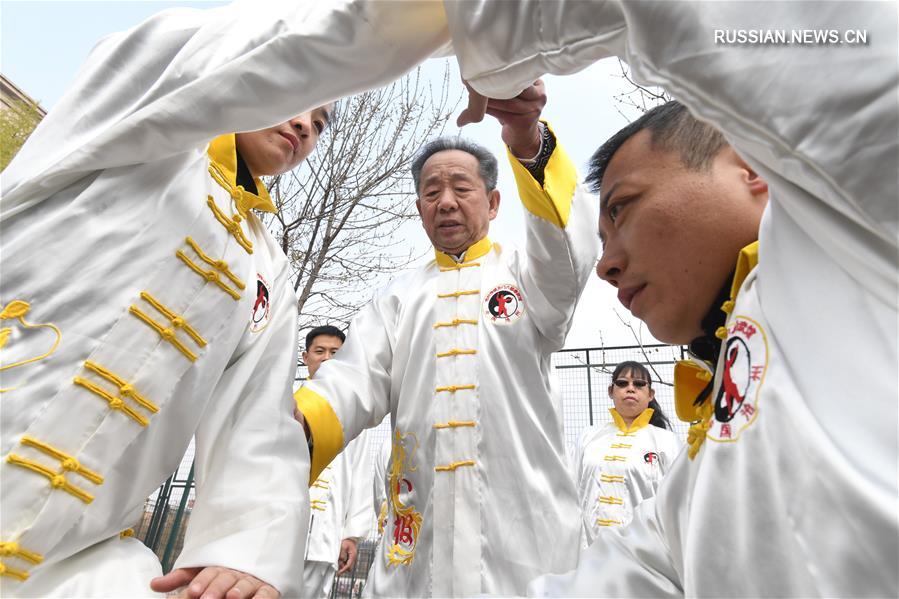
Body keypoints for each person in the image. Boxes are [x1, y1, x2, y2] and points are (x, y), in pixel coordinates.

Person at [435, 3, 897, 595]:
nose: (604, 264)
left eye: (623, 207)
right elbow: (641, 569)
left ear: (753, 161)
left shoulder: (855, 241)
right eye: (600, 240)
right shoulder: (695, 480)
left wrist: (495, 34)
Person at [0, 0, 460, 594]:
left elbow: (257, 417)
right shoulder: (131, 137)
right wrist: (456, 22)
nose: (304, 126)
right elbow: (231, 54)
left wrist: (246, 548)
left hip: (66, 563)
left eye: (320, 124)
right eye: (300, 100)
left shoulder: (267, 271)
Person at [294, 81, 599, 596]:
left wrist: (527, 140)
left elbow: (570, 257)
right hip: (418, 543)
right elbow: (349, 383)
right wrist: (297, 426)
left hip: (525, 540)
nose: (447, 202)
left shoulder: (529, 281)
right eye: (432, 192)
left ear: (495, 201)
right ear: (419, 210)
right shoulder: (396, 299)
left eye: (462, 188)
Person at [299, 326, 373, 599]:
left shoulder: (355, 417)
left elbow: (361, 478)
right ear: (306, 357)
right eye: (320, 351)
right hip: (276, 533)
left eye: (335, 353)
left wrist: (352, 535)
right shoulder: (286, 403)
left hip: (324, 540)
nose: (327, 358)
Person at [571, 361, 680, 546]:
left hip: (646, 555)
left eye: (638, 384)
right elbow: (570, 493)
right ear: (611, 391)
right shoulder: (588, 438)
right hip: (590, 554)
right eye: (622, 383)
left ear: (650, 394)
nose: (630, 389)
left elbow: (679, 502)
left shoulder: (667, 441)